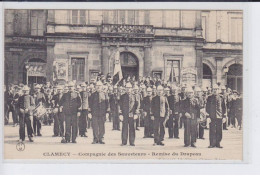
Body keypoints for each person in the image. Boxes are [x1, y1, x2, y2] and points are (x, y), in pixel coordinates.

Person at [206, 84, 226, 148]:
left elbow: (224, 107)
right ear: (212, 90)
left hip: (219, 116)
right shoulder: (209, 97)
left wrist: (224, 116)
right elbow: (207, 108)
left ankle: (218, 143)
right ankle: (212, 143)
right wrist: (208, 116)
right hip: (212, 116)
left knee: (219, 130)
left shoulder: (221, 97)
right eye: (214, 89)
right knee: (212, 130)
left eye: (216, 89)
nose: (215, 90)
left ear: (218, 90)